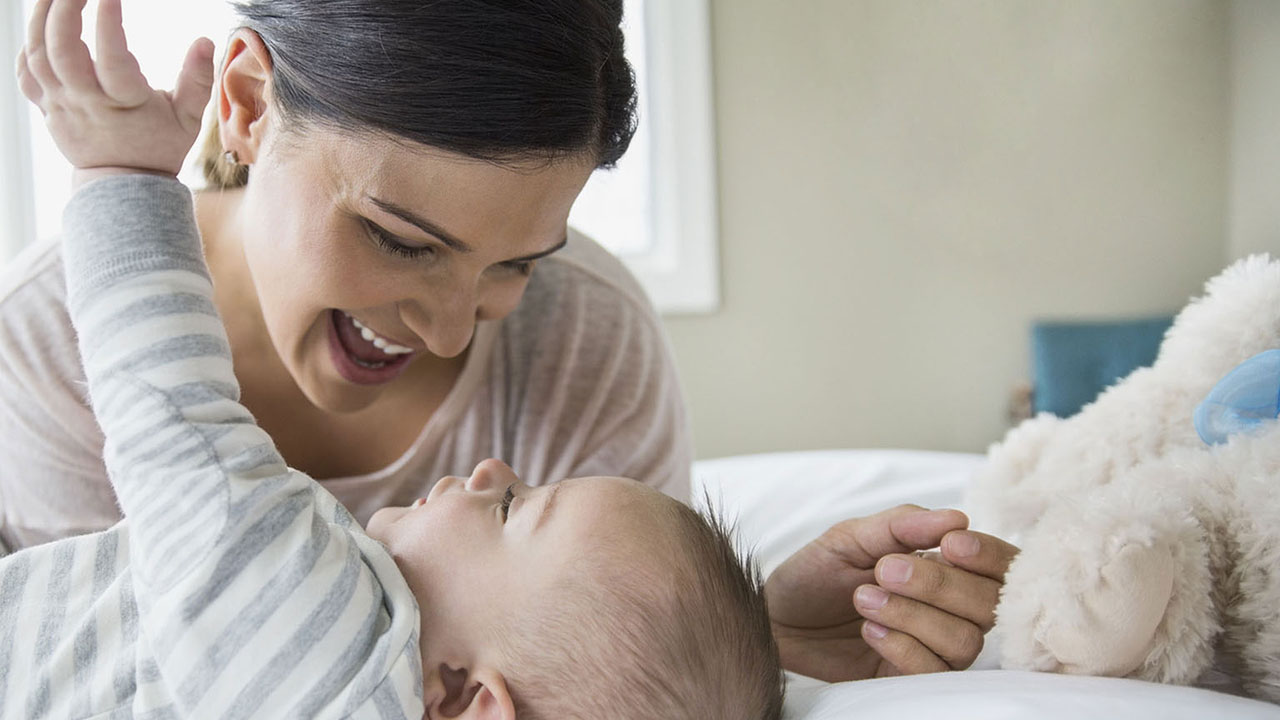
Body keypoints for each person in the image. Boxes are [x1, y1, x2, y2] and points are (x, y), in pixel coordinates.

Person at [6, 0, 1020, 688]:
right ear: (242, 108)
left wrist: (757, 642)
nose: (451, 329)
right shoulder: (44, 347)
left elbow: (594, 667)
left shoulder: (588, 341)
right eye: (399, 240)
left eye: (516, 264)